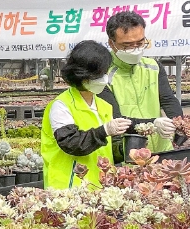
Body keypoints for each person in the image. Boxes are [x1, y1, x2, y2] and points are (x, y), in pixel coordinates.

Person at [42, 41, 131, 189]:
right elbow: (72, 143)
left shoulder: (103, 105)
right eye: (99, 74)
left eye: (105, 72)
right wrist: (104, 131)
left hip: (98, 186)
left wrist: (127, 147)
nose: (104, 78)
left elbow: (107, 147)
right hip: (68, 188)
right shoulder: (61, 106)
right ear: (82, 75)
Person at [100, 10, 182, 153]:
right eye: (127, 45)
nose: (135, 49)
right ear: (112, 44)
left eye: (140, 43)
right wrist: (153, 124)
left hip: (160, 146)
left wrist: (178, 125)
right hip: (128, 150)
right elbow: (116, 118)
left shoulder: (153, 67)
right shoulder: (103, 75)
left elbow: (168, 100)